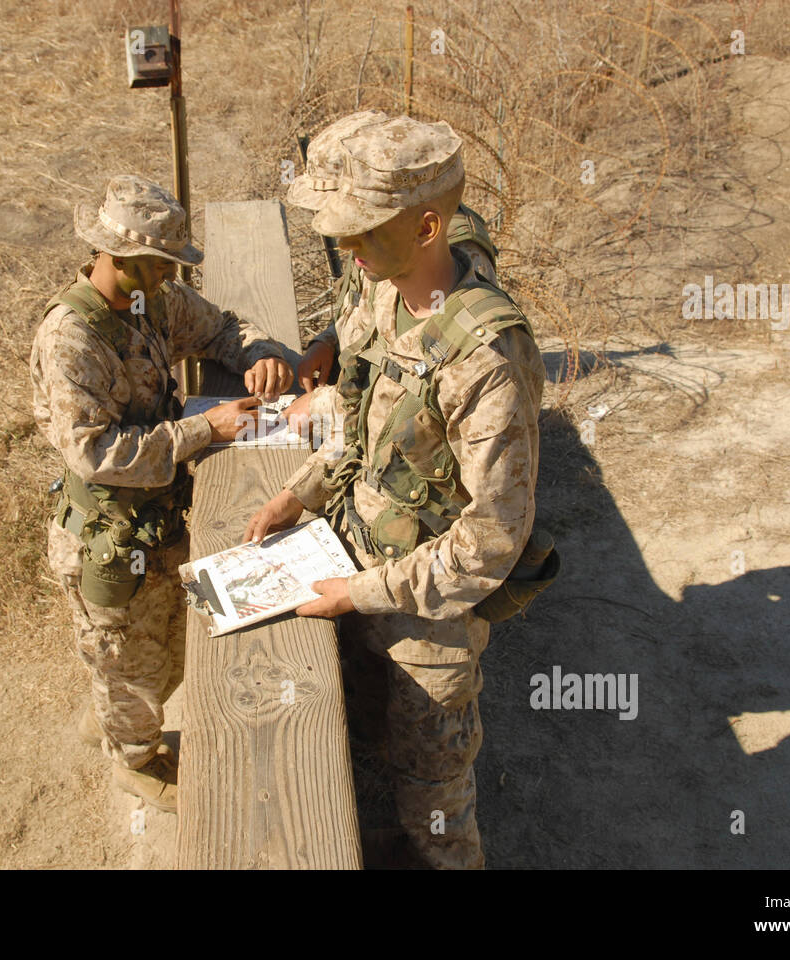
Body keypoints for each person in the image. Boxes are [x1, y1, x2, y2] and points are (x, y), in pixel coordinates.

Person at [244, 116, 548, 868]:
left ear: (426, 226)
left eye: (362, 233)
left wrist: (363, 592)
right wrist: (304, 492)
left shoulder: (487, 360)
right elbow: (359, 417)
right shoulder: (382, 296)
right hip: (357, 555)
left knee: (434, 794)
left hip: (427, 622)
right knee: (365, 737)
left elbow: (493, 539)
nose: (346, 251)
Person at [31, 175, 292, 812]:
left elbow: (219, 328)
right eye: (163, 263)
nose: (172, 275)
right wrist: (205, 428)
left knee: (162, 654)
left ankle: (116, 714)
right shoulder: (72, 339)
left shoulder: (153, 300)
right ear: (119, 258)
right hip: (111, 538)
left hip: (160, 520)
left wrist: (258, 351)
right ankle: (135, 762)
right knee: (130, 662)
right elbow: (96, 454)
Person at [282, 109, 501, 433]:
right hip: (357, 407)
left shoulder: (437, 250)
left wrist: (324, 406)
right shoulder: (380, 239)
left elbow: (419, 380)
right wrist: (328, 341)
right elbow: (369, 307)